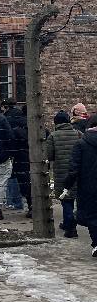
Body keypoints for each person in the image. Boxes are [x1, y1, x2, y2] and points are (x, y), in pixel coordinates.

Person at [64, 114, 97, 256]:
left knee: (92, 216)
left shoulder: (81, 144)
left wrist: (67, 185)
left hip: (88, 186)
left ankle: (96, 243)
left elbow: (74, 168)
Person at [45, 110, 81, 238]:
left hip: (61, 172)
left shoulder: (53, 136)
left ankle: (71, 228)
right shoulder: (78, 134)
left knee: (66, 200)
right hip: (77, 171)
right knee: (75, 198)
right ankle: (68, 223)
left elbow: (49, 155)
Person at [3, 100, 32, 217]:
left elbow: (12, 144)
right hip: (34, 157)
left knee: (24, 182)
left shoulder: (15, 128)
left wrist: (11, 154)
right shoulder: (39, 127)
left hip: (21, 158)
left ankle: (28, 204)